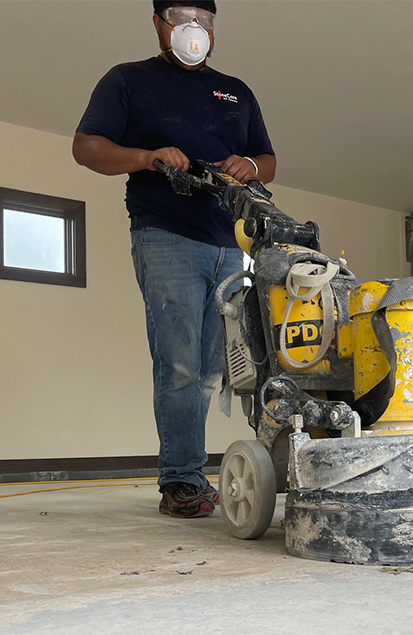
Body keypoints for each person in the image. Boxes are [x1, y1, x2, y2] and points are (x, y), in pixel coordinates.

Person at [72, 0, 276, 518]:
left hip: (231, 243)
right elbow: (86, 146)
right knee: (182, 361)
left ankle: (217, 467)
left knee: (217, 366)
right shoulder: (128, 80)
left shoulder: (237, 91)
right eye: (181, 18)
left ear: (213, 27)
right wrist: (146, 157)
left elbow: (267, 159)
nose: (193, 29)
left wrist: (249, 165)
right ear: (159, 24)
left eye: (203, 20)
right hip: (166, 234)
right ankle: (181, 480)